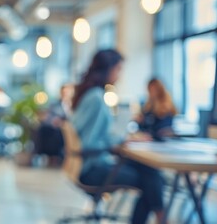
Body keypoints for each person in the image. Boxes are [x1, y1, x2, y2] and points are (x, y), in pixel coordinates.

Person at [71, 50, 165, 224]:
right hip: (91, 168)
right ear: (107, 69)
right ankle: (161, 217)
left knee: (149, 169)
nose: (119, 75)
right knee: (150, 180)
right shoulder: (96, 99)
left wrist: (122, 139)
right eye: (118, 69)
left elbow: (95, 133)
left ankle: (160, 216)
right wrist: (120, 141)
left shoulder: (91, 94)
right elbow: (90, 142)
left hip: (88, 163)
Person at [34, 84, 74, 166]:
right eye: (65, 91)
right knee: (45, 130)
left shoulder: (75, 103)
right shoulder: (55, 104)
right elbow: (49, 117)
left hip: (71, 127)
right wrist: (55, 121)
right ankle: (53, 157)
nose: (67, 93)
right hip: (57, 128)